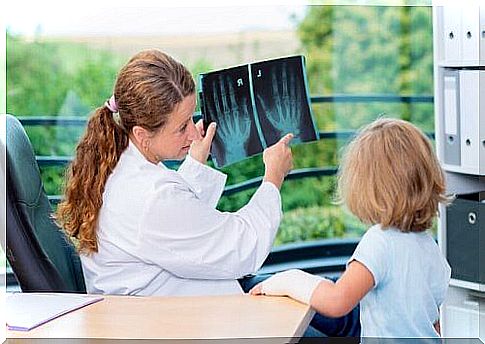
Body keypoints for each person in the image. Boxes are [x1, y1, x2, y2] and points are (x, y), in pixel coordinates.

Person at [55, 49, 294, 296]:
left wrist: (196, 160)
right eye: (182, 127)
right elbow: (242, 248)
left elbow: (176, 219)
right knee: (318, 307)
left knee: (313, 300)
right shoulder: (151, 197)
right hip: (178, 320)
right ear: (142, 134)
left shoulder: (120, 163)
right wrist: (273, 179)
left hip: (178, 299)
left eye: (191, 118)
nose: (193, 133)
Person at [250, 118, 452, 338]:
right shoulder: (429, 246)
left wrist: (286, 280)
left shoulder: (380, 241)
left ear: (367, 188)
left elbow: (337, 301)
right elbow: (432, 322)